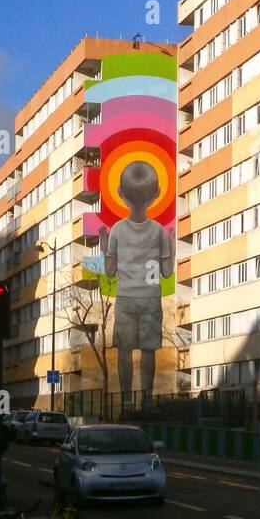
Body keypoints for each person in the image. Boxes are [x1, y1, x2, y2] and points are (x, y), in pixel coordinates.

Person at [100, 160, 175, 404]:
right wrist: (172, 248)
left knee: (124, 350)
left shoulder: (118, 231)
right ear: (156, 195)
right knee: (148, 350)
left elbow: (110, 273)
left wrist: (104, 249)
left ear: (121, 194)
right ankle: (147, 400)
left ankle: (125, 401)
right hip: (151, 299)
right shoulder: (159, 231)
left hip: (125, 299)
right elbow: (166, 273)